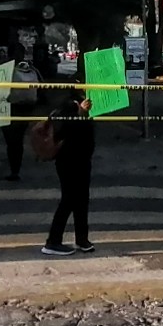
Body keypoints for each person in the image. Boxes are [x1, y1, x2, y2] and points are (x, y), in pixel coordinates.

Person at [43, 87, 97, 255]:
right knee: (69, 199)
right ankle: (53, 241)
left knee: (82, 200)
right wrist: (81, 114)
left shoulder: (87, 104)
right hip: (69, 160)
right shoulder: (67, 106)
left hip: (83, 160)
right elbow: (65, 132)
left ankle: (82, 239)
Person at [3, 46, 41, 181]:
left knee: (12, 141)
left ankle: (14, 170)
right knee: (17, 140)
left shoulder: (6, 68)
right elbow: (42, 86)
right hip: (27, 108)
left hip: (11, 107)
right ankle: (15, 169)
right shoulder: (30, 67)